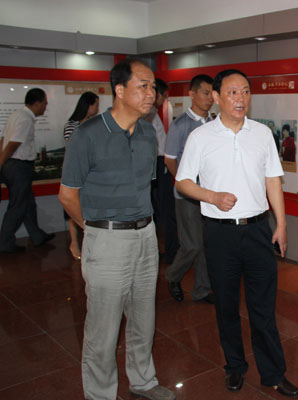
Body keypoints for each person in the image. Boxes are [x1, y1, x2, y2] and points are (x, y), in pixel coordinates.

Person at [175, 69, 298, 397]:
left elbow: (273, 180)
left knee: (263, 307)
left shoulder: (262, 133)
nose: (240, 98)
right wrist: (212, 196)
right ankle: (234, 366)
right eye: (232, 92)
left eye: (245, 91)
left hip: (258, 230)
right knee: (226, 305)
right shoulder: (200, 137)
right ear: (216, 97)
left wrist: (281, 225)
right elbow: (183, 181)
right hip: (220, 234)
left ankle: (273, 373)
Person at [59, 58, 175, 400]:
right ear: (120, 90)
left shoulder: (147, 133)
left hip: (145, 236)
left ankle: (143, 381)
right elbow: (67, 195)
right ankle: (100, 394)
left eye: (153, 87)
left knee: (143, 317)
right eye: (143, 86)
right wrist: (94, 229)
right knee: (103, 328)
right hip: (106, 238)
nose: (151, 94)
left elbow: (144, 187)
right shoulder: (88, 134)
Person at [163, 74, 215, 304]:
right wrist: (185, 185)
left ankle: (202, 290)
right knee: (192, 244)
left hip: (209, 195)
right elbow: (169, 160)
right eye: (205, 93)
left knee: (205, 244)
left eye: (212, 93)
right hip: (187, 196)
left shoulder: (214, 123)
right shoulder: (180, 125)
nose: (210, 98)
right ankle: (172, 276)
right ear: (192, 94)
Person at [0, 88, 54, 253]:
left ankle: (37, 235)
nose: (45, 107)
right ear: (37, 103)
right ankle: (5, 243)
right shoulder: (24, 118)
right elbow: (13, 144)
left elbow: (3, 140)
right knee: (18, 206)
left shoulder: (17, 115)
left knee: (28, 203)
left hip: (14, 166)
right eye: (45, 103)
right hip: (18, 167)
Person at [145, 78, 179, 265]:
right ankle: (171, 252)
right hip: (158, 163)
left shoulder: (151, 113)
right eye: (163, 96)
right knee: (166, 210)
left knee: (160, 211)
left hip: (158, 163)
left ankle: (165, 250)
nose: (163, 99)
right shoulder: (149, 114)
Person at [63, 91, 100, 259]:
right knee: (74, 206)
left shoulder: (93, 124)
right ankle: (74, 243)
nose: (97, 109)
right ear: (89, 105)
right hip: (77, 171)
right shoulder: (72, 125)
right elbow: (73, 147)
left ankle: (88, 241)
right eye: (96, 105)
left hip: (92, 173)